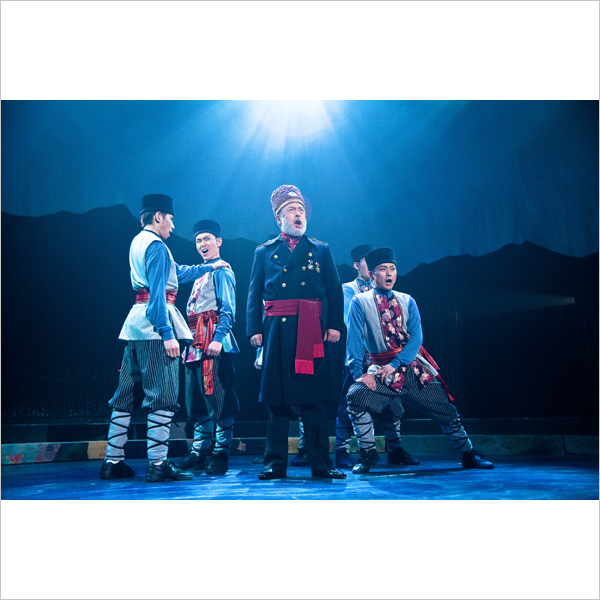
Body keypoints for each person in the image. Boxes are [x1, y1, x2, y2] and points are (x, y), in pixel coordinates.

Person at [99, 194, 228, 483]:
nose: (172, 225)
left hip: (135, 327)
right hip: (155, 328)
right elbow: (158, 293)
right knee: (163, 395)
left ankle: (112, 461)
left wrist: (210, 266)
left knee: (125, 396)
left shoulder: (139, 242)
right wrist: (167, 333)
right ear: (158, 216)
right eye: (170, 219)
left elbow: (176, 273)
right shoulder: (157, 246)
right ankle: (158, 464)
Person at [345, 247, 494, 474]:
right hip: (381, 370)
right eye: (383, 269)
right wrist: (359, 374)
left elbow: (417, 338)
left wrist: (395, 364)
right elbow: (354, 340)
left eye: (392, 269)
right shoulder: (360, 302)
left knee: (445, 409)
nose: (389, 273)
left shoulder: (407, 300)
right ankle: (367, 453)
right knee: (356, 395)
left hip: (412, 368)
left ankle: (468, 453)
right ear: (372, 274)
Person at [246, 184, 346, 480]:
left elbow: (335, 291)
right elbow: (254, 294)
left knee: (313, 400)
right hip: (276, 330)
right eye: (292, 210)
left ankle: (322, 464)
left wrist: (334, 325)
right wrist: (254, 329)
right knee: (276, 401)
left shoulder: (320, 250)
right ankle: (274, 464)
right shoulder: (264, 251)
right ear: (279, 218)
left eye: (301, 210)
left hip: (311, 328)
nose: (298, 215)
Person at [177, 220, 240, 476]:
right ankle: (199, 452)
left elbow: (228, 309)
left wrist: (218, 338)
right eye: (198, 240)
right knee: (197, 401)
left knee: (219, 397)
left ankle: (221, 453)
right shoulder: (201, 271)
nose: (202, 244)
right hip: (194, 343)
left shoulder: (222, 270)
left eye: (207, 239)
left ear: (218, 241)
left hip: (213, 341)